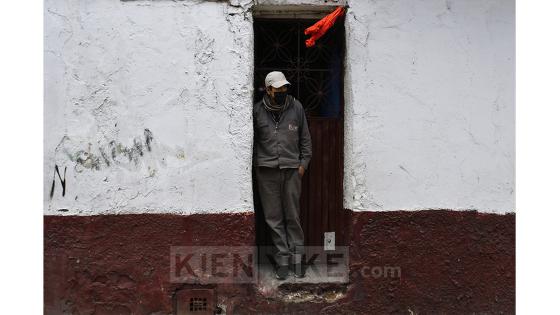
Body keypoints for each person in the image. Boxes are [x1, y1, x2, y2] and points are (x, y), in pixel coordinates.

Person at [253, 71, 312, 280]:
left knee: (292, 217)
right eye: (277, 89)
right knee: (273, 219)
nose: (282, 91)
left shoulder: (296, 107)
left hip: (292, 171)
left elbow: (305, 139)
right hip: (266, 171)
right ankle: (282, 262)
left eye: (284, 88)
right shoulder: (257, 111)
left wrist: (302, 165)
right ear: (268, 90)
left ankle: (298, 261)